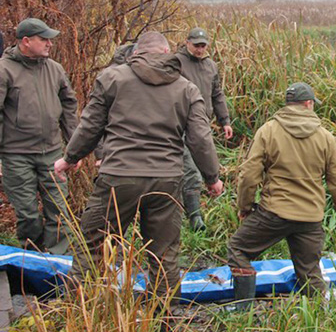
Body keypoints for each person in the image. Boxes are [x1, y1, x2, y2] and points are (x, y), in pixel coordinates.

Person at [53, 31, 223, 304]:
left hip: (119, 176)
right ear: (167, 50)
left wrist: (70, 157)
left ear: (136, 53)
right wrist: (212, 177)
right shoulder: (186, 88)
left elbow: (90, 125)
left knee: (94, 244)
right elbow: (200, 138)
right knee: (164, 252)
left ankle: (80, 308)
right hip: (166, 179)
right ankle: (164, 315)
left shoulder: (112, 78)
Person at [227, 82, 336, 308]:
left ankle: (242, 312)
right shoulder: (325, 137)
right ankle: (319, 318)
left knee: (238, 249)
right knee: (309, 270)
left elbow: (249, 174)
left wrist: (244, 206)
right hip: (310, 218)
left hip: (274, 213)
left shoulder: (268, 131)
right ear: (308, 104)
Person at [0, 18, 79, 255]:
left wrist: (75, 148)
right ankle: (32, 261)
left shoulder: (54, 68)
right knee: (28, 215)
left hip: (52, 154)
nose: (49, 44)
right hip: (16, 155)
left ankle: (56, 264)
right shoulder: (4, 70)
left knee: (59, 210)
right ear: (26, 41)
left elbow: (69, 105)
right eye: (43, 39)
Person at [174, 27, 233, 232]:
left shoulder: (210, 66)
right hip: (179, 125)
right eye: (196, 45)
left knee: (199, 166)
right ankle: (195, 218)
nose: (200, 49)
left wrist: (224, 120)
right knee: (191, 171)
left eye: (203, 45)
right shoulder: (176, 62)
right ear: (187, 42)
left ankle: (186, 208)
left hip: (202, 124)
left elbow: (217, 94)